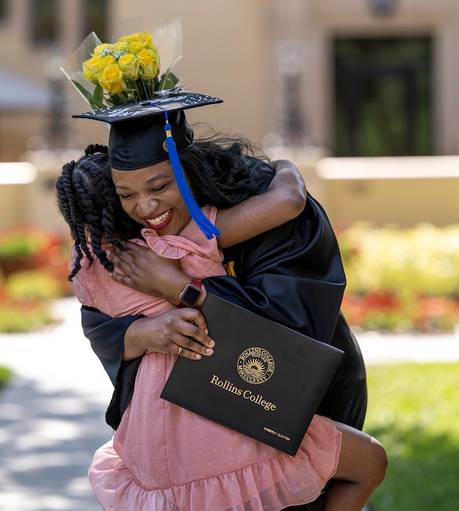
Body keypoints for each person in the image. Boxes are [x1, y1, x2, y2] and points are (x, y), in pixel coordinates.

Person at [57, 91, 387, 509]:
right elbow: (286, 201)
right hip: (229, 407)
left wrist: (146, 325)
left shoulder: (90, 263)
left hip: (155, 439)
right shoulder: (178, 245)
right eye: (128, 195)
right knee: (370, 461)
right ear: (114, 199)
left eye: (159, 185)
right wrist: (284, 166)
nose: (146, 205)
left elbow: (98, 323)